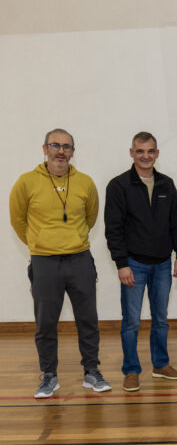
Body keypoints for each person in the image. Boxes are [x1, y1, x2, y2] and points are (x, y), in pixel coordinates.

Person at [10, 128, 111, 398]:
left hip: (80, 260)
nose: (61, 151)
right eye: (55, 145)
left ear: (73, 152)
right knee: (45, 323)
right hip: (44, 263)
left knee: (88, 319)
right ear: (45, 149)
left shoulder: (86, 182)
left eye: (66, 146)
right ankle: (49, 376)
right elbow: (18, 221)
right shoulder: (26, 182)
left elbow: (90, 219)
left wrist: (71, 240)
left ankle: (92, 371)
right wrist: (40, 243)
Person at [105, 131, 177, 392]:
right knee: (131, 322)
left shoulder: (167, 184)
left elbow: (176, 223)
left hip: (163, 264)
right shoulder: (118, 185)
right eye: (140, 151)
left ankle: (161, 365)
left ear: (157, 154)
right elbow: (113, 229)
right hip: (134, 264)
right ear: (132, 153)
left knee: (161, 319)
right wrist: (121, 264)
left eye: (150, 151)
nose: (145, 156)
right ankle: (131, 370)